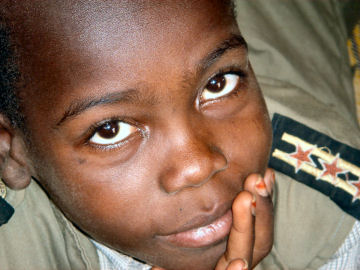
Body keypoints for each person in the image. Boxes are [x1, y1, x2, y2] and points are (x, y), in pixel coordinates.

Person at [0, 1, 358, 270]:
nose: (198, 166)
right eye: (111, 130)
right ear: (12, 152)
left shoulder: (330, 210)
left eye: (219, 83)